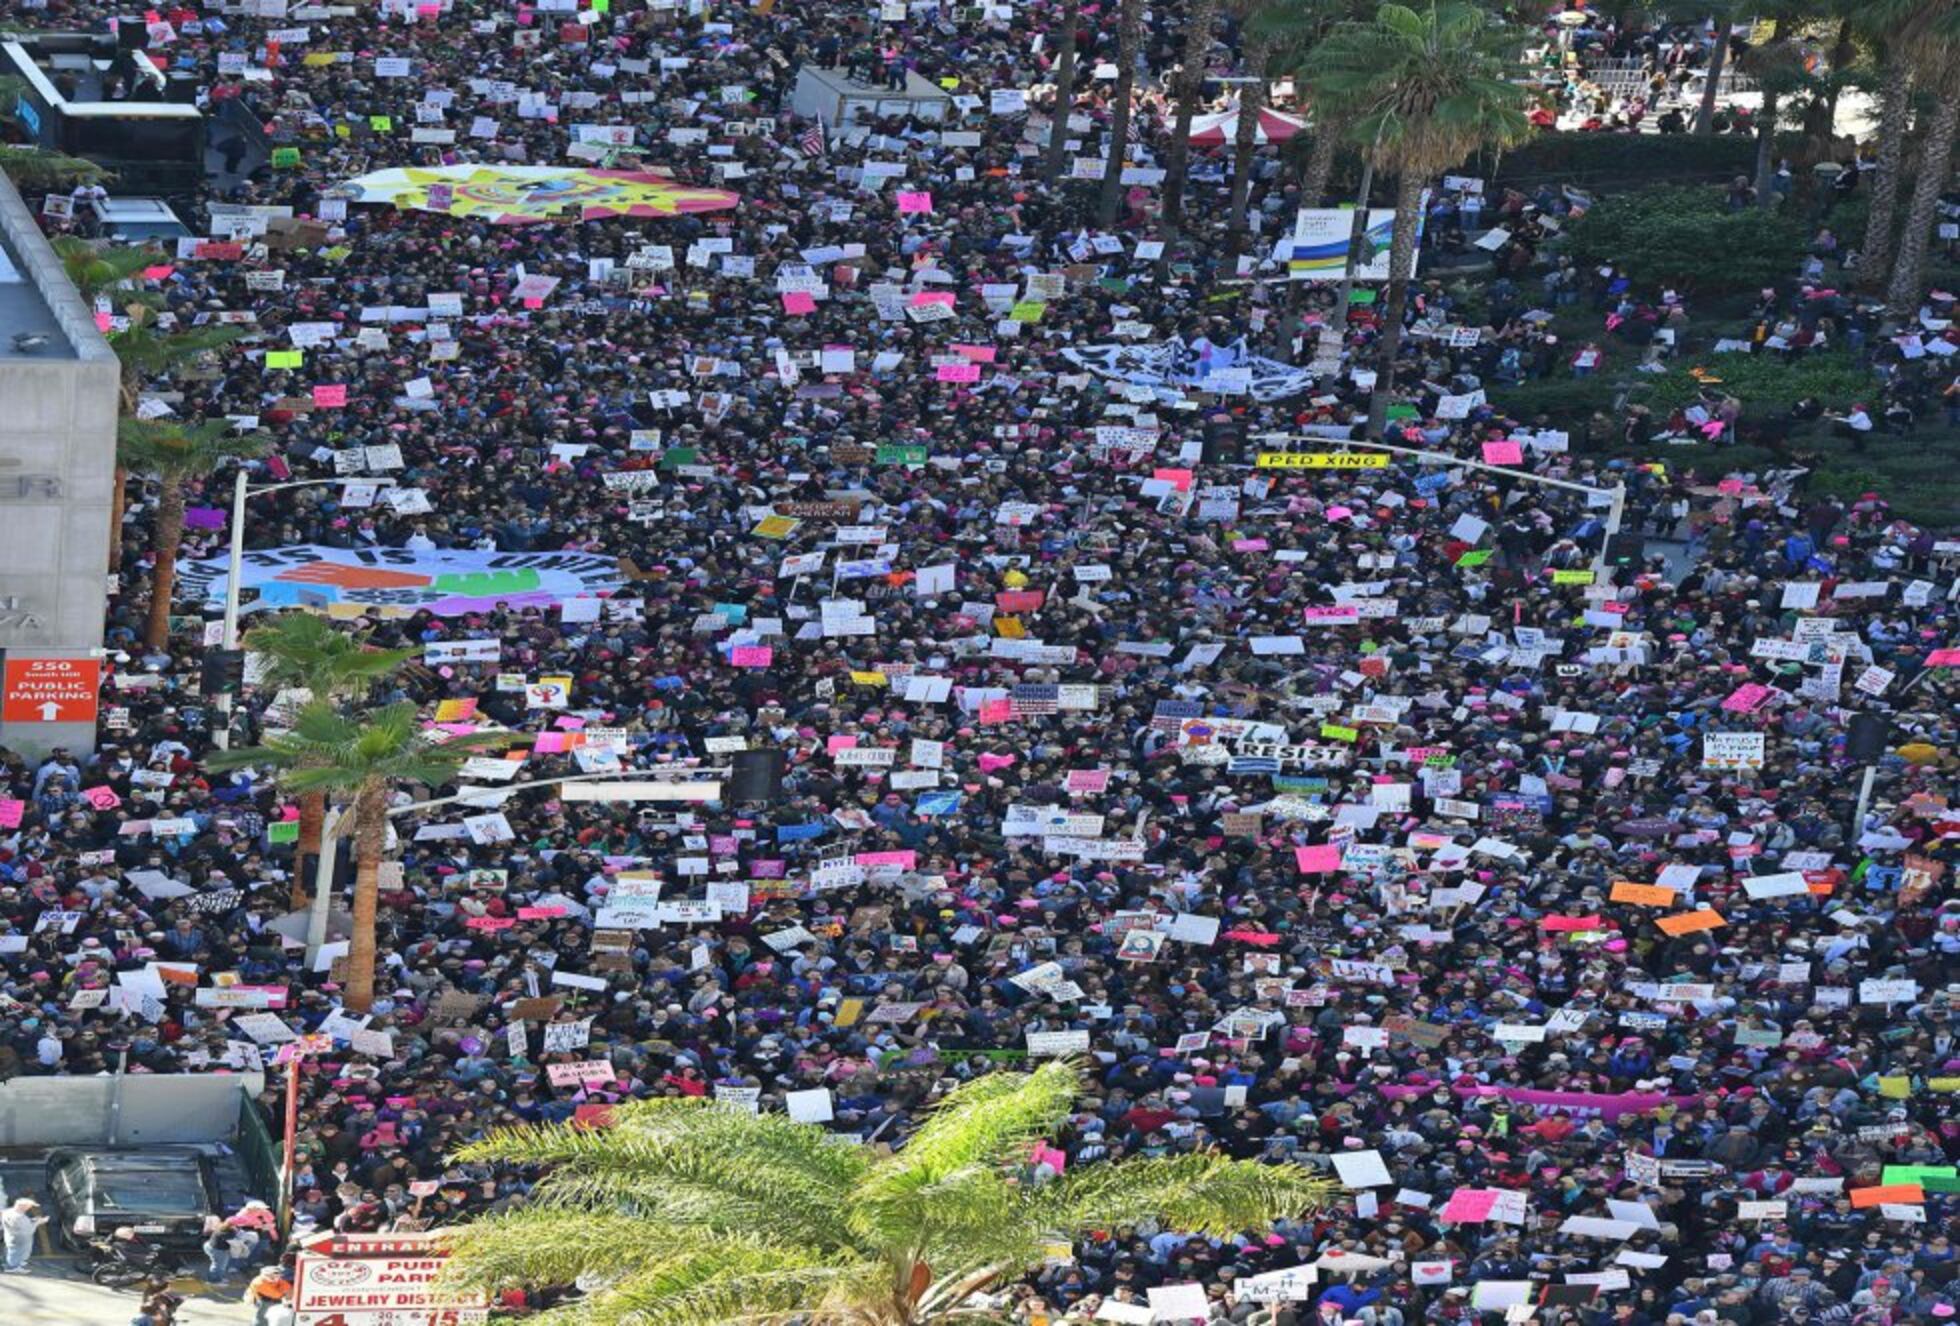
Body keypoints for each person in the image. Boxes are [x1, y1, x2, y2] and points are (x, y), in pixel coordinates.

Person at [2, 1197, 44, 1273]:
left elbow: (22, 1224)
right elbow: (28, 1230)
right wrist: (38, 1222)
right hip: (20, 1239)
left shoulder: (8, 1212)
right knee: (17, 1252)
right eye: (29, 1206)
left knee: (12, 1251)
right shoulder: (19, 1217)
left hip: (11, 1236)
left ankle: (14, 1264)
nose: (29, 1208)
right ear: (23, 1206)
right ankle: (13, 1267)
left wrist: (32, 1220)